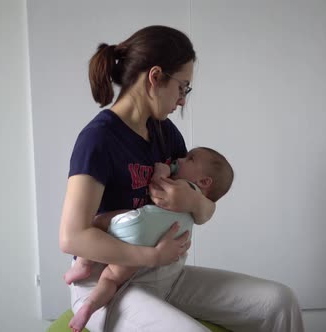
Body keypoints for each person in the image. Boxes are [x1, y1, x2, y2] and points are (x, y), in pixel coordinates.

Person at [59, 25, 304, 332]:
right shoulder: (98, 139)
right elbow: (72, 237)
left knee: (280, 302)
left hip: (165, 276)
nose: (183, 100)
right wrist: (151, 255)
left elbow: (205, 211)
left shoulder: (165, 133)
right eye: (182, 87)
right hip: (106, 285)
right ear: (155, 77)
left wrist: (192, 201)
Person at [65, 147, 234, 332]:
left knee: (99, 221)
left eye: (190, 159)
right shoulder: (194, 206)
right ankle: (89, 306)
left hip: (137, 226)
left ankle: (83, 265)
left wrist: (162, 171)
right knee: (111, 279)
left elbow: (157, 187)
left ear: (204, 181)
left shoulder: (186, 188)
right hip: (152, 242)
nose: (181, 159)